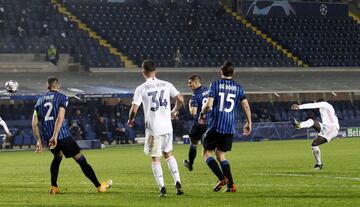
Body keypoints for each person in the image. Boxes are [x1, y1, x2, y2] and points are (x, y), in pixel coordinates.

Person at [32, 77, 112, 194]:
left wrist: (38, 141)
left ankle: (54, 187)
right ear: (57, 85)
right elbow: (60, 117)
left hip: (47, 137)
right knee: (81, 159)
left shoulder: (39, 101)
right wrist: (55, 135)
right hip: (62, 136)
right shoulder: (62, 97)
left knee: (58, 156)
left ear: (47, 86)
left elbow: (34, 122)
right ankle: (99, 186)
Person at [127, 59, 184, 197]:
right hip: (167, 127)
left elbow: (134, 108)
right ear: (155, 71)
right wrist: (174, 111)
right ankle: (178, 183)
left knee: (156, 158)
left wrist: (131, 119)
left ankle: (162, 188)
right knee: (168, 155)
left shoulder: (141, 88)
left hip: (154, 128)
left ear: (143, 72)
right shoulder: (166, 84)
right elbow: (181, 99)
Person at [199, 61, 252, 192]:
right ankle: (231, 185)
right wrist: (249, 122)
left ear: (220, 71)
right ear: (233, 73)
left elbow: (209, 104)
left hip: (216, 125)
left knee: (206, 152)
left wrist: (202, 113)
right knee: (220, 154)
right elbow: (245, 105)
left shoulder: (215, 85)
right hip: (229, 127)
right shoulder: (238, 87)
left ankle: (222, 178)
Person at [291, 101, 339, 170]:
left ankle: (319, 165)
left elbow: (313, 105)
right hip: (325, 127)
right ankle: (299, 125)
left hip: (332, 128)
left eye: (317, 102)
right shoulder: (324, 109)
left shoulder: (325, 104)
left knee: (315, 143)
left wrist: (299, 107)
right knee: (311, 121)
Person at [183, 75, 211, 171]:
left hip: (199, 123)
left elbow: (194, 113)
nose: (188, 85)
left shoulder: (195, 95)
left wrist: (190, 105)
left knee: (193, 143)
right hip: (210, 122)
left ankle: (190, 164)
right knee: (211, 149)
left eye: (190, 83)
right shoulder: (208, 90)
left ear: (195, 82)